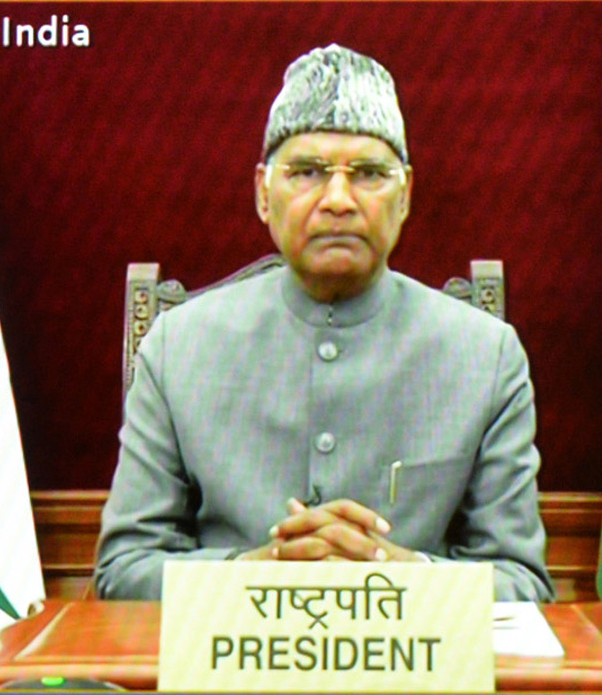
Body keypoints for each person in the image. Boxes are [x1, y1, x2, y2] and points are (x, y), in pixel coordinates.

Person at [95, 44, 554, 602]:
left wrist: (399, 572)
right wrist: (256, 571)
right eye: (307, 172)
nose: (338, 200)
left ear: (405, 197)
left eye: (369, 174)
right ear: (263, 194)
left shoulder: (485, 354)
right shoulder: (177, 347)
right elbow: (123, 573)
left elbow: (522, 583)